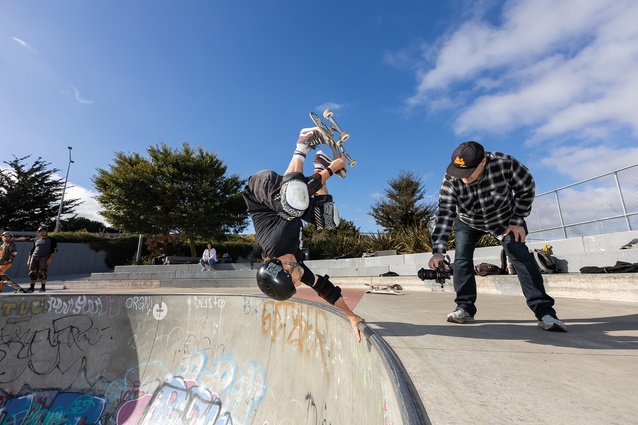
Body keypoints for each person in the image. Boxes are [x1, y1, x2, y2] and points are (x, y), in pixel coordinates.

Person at [428, 141, 567, 332]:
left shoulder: (505, 163)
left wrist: (517, 220)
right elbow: (445, 212)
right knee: (461, 258)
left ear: (483, 162)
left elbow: (526, 188)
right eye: (460, 173)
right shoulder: (452, 177)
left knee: (519, 255)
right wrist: (438, 252)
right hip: (468, 221)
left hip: (504, 220)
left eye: (469, 172)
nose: (463, 178)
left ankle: (545, 312)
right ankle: (464, 307)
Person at [242, 126, 365, 342]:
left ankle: (303, 144)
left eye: (295, 284)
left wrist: (333, 171)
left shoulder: (275, 242)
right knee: (327, 219)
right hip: (286, 198)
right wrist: (351, 316)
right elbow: (325, 290)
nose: (299, 285)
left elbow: (297, 199)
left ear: (285, 270)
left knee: (293, 204)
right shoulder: (297, 265)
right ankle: (320, 164)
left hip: (259, 190)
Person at [26, 225, 58, 293]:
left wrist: (50, 259)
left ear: (46, 232)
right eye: (41, 231)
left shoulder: (51, 240)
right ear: (39, 232)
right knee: (32, 273)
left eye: (44, 231)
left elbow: (54, 250)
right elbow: (32, 251)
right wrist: (29, 260)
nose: (42, 232)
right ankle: (31, 288)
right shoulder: (36, 240)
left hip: (44, 257)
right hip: (35, 256)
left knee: (41, 273)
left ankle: (42, 288)